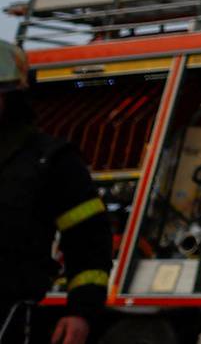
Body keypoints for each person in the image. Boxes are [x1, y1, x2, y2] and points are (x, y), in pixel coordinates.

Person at [1, 41, 111, 344]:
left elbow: (89, 242)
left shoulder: (49, 161)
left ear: (10, 98)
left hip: (7, 317)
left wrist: (81, 311)